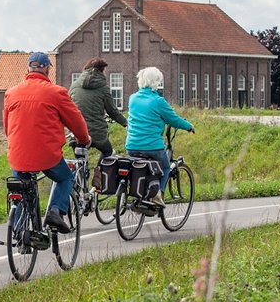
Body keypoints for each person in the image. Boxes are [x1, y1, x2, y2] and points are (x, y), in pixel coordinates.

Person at [3, 52, 91, 236]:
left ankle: (19, 233)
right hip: (46, 155)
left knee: (21, 185)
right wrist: (84, 139)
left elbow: (7, 128)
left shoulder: (11, 93)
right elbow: (76, 121)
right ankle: (55, 211)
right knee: (65, 177)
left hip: (18, 154)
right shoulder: (56, 92)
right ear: (46, 69)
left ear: (28, 68)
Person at [125, 67, 194, 206]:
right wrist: (188, 126)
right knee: (166, 167)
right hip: (152, 147)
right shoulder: (158, 101)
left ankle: (141, 194)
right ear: (156, 82)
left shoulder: (132, 98)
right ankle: (158, 195)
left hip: (131, 146)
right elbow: (173, 119)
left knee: (140, 168)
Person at [69, 57, 127, 158]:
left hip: (77, 132)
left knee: (80, 160)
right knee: (108, 152)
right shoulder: (103, 87)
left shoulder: (74, 85)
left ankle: (78, 172)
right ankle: (99, 172)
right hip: (97, 134)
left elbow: (68, 106)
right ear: (102, 70)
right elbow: (112, 111)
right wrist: (126, 123)